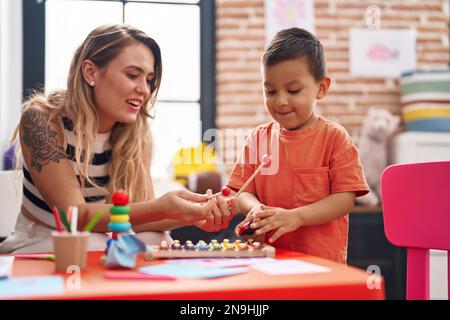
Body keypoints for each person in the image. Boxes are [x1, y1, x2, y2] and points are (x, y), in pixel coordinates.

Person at [0, 24, 233, 254]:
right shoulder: (42, 121)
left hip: (99, 240)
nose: (144, 89)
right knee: (100, 246)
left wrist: (191, 213)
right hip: (43, 239)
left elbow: (140, 220)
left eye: (149, 79)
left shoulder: (136, 135)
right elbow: (74, 215)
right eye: (133, 75)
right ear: (90, 71)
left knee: (158, 238)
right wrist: (160, 206)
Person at [229, 28, 369, 264]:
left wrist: (296, 217)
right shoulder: (257, 138)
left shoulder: (335, 137)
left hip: (321, 265)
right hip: (268, 262)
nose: (281, 101)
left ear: (321, 88)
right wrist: (254, 208)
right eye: (270, 91)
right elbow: (241, 192)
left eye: (293, 90)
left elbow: (345, 198)